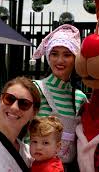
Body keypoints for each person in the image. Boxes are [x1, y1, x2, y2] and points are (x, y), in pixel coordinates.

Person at [30, 24, 87, 170]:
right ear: (48, 56)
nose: (60, 60)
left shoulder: (80, 98)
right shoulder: (34, 89)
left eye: (67, 55)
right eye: (54, 54)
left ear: (75, 58)